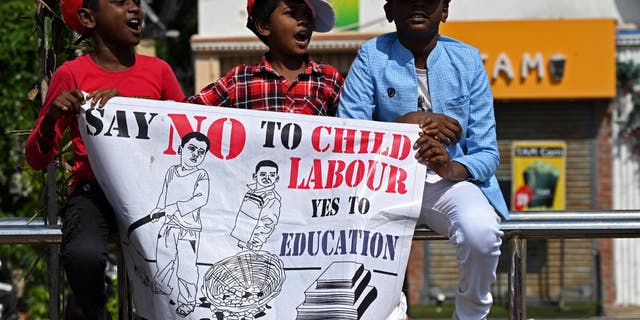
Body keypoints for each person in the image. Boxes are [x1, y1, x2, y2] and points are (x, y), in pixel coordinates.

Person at [337, 0, 509, 319]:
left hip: (448, 183)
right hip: (384, 183)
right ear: (389, 10)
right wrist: (407, 123)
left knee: (481, 232)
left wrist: (451, 167)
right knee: (360, 244)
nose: (417, 4)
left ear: (444, 10)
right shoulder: (371, 55)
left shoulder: (468, 59)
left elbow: (487, 153)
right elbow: (348, 135)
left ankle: (470, 314)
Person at [24, 0, 185, 318]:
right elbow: (36, 157)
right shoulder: (71, 73)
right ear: (87, 18)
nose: (134, 9)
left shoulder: (159, 71)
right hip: (92, 189)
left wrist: (127, 109)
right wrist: (51, 117)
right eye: (120, 2)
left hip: (152, 192)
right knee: (83, 255)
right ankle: (92, 310)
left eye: (136, 3)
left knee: (177, 260)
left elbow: (184, 133)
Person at [186, 0, 343, 116]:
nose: (304, 21)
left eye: (308, 15)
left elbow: (354, 128)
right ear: (264, 26)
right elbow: (187, 115)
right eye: (292, 13)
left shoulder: (328, 78)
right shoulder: (239, 81)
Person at [149, 132, 210, 317]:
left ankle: (187, 301)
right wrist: (159, 209)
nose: (195, 154)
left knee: (186, 267)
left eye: (201, 152)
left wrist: (176, 207)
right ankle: (161, 287)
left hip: (188, 229)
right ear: (180, 149)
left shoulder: (201, 174)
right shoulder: (172, 171)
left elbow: (201, 198)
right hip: (168, 225)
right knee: (163, 258)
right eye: (192, 149)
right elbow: (164, 193)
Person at [230, 160, 281, 251]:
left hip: (252, 242)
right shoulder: (250, 192)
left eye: (272, 175)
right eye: (263, 174)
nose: (267, 178)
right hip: (242, 237)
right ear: (255, 176)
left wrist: (257, 240)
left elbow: (268, 222)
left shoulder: (271, 198)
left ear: (277, 178)